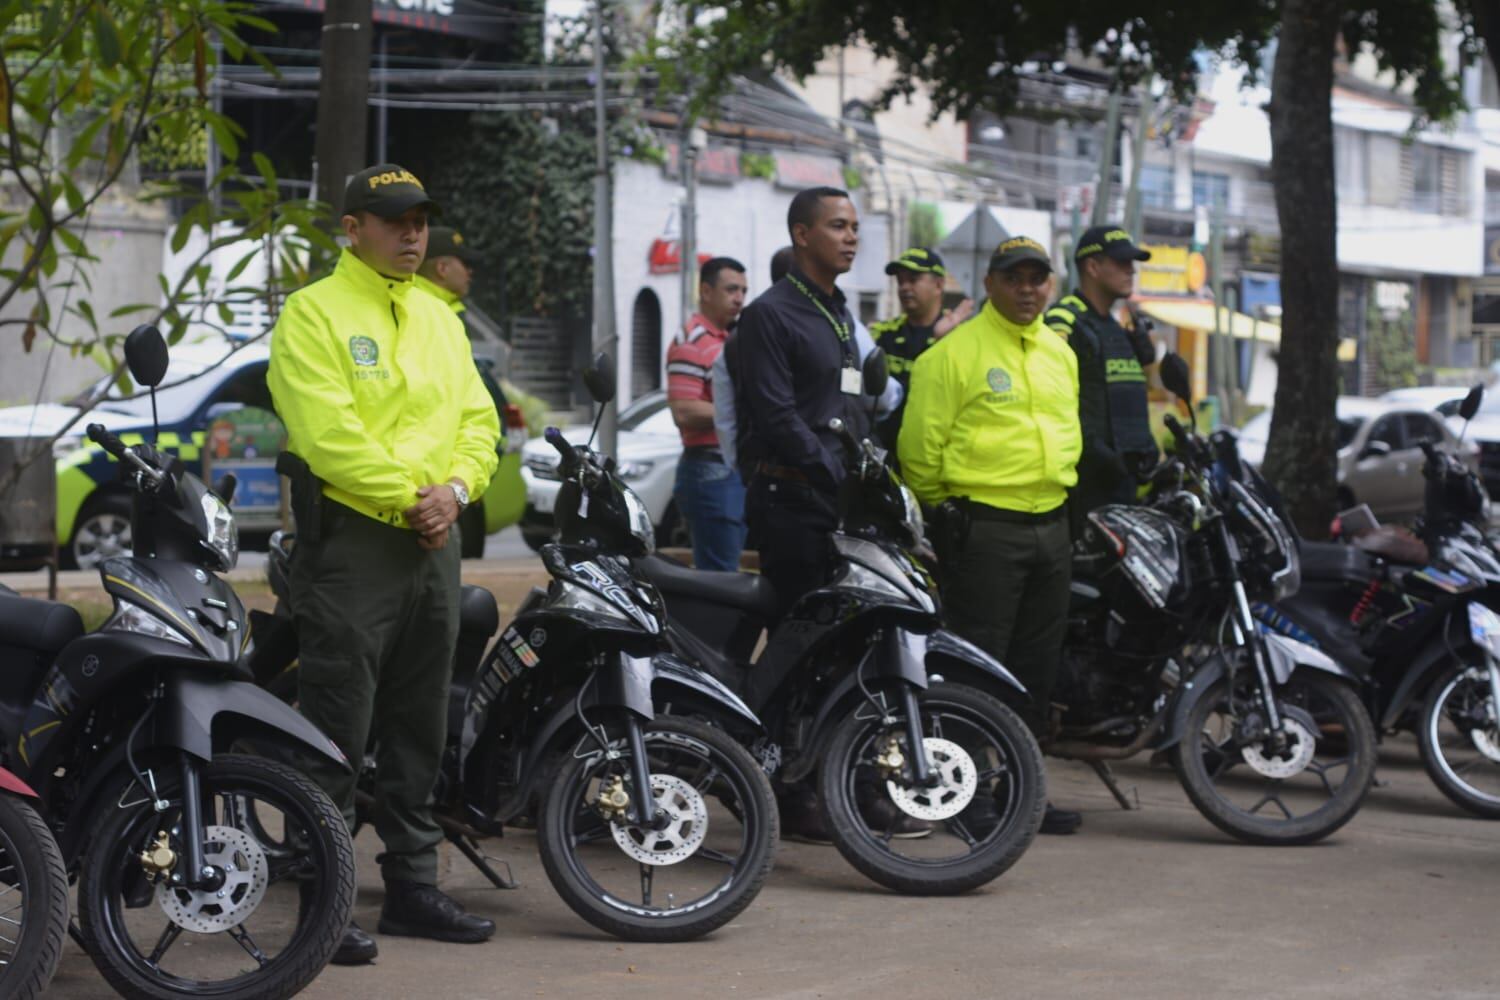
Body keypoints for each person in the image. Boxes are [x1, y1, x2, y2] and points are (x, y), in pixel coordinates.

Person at [267, 163, 501, 963]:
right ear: (352, 227)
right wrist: (413, 497)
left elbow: (479, 420)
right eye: (394, 220)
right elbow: (326, 434)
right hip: (356, 545)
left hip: (434, 542)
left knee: (418, 723)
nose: (412, 235)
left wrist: (458, 489)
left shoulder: (440, 316)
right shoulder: (313, 314)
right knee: (336, 725)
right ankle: (321, 903)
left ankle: (413, 887)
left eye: (421, 221)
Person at [898, 235, 1085, 836]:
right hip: (986, 530)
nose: (1028, 290)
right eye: (1015, 278)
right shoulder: (950, 356)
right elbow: (918, 452)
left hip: (1051, 526)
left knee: (1035, 670)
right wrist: (947, 517)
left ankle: (1019, 792)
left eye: (1038, 279)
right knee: (978, 667)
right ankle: (967, 794)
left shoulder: (1060, 351)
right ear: (990, 284)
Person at [1044, 225, 1159, 521]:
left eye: (1131, 264)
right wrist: (1096, 452)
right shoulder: (1065, 318)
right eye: (1121, 262)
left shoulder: (1119, 327)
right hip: (1086, 487)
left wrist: (1147, 447)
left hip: (1125, 484)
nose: (1130, 271)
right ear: (1092, 267)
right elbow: (1049, 397)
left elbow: (1140, 394)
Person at [667, 257, 749, 570]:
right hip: (709, 468)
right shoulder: (692, 342)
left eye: (743, 290)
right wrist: (742, 413)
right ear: (705, 291)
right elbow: (684, 411)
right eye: (731, 289)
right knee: (720, 578)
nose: (739, 298)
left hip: (728, 468)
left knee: (727, 572)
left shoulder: (728, 338)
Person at [868, 247, 973, 448]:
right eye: (900, 281)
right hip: (886, 452)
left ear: (939, 285)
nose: (904, 287)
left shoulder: (962, 336)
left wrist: (940, 341)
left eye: (913, 279)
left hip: (939, 451)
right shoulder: (882, 334)